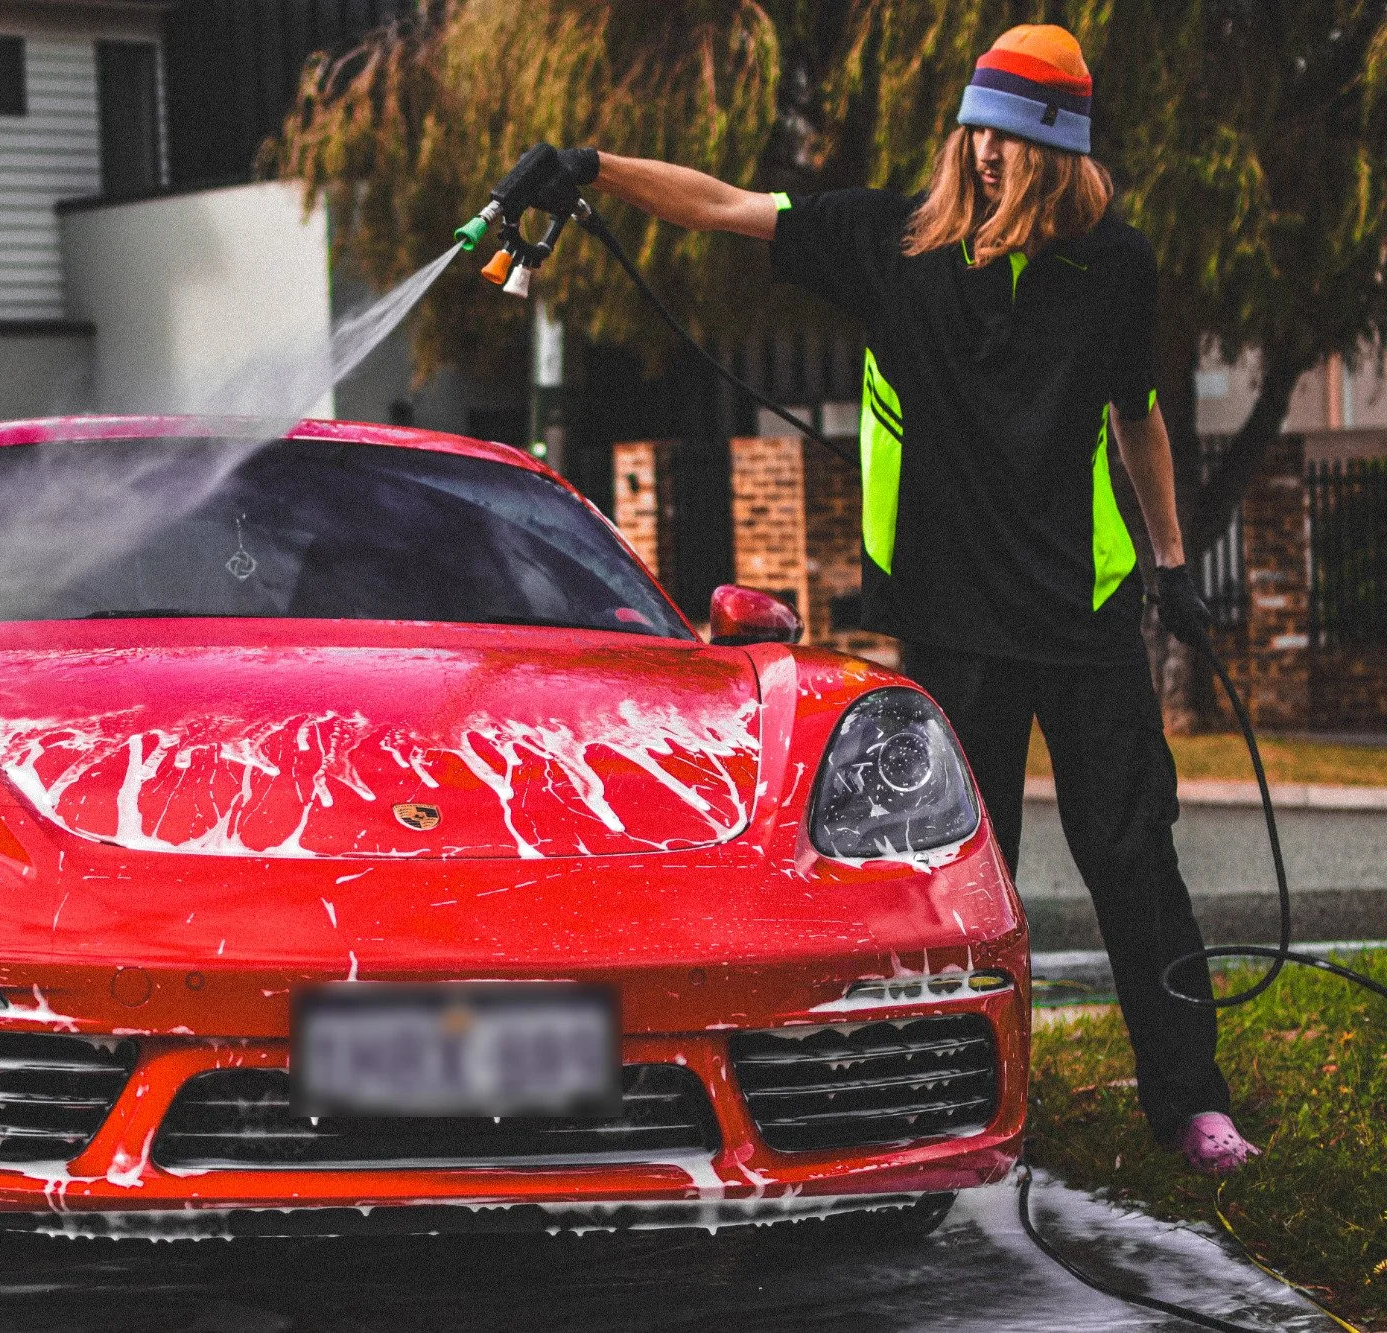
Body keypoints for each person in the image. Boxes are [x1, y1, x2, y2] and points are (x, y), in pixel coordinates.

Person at [529, 24, 1258, 1173]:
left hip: (1085, 619)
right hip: (952, 625)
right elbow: (727, 205)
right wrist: (591, 170)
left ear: (1054, 155)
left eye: (1006, 144)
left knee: (1136, 864)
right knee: (952, 889)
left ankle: (1189, 1102)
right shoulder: (890, 241)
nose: (981, 160)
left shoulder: (1110, 265)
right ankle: (957, 1105)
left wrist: (1170, 566)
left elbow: (1139, 414)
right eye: (973, 135)